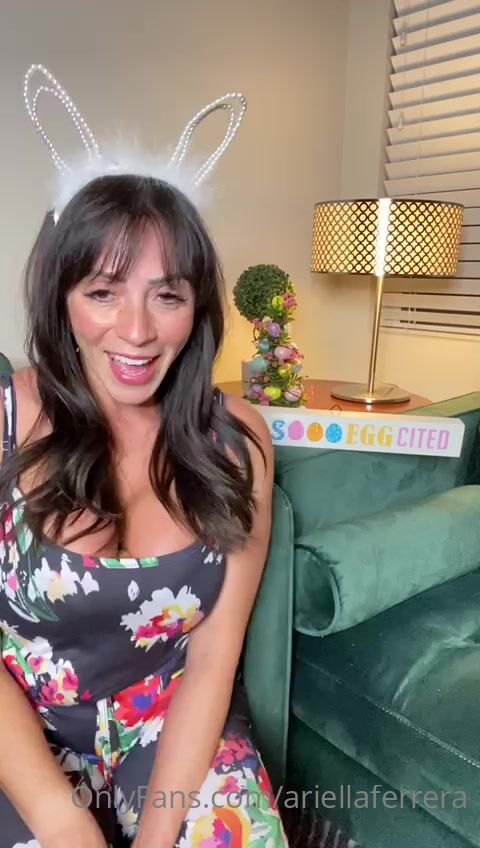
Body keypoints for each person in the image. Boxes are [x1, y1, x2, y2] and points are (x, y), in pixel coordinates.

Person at [0, 67, 288, 848]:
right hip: (17, 738)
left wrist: (159, 838)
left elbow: (212, 656)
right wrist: (63, 821)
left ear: (197, 307)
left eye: (167, 295)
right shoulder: (5, 421)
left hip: (162, 727)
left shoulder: (237, 443)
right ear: (61, 299)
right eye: (103, 292)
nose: (137, 332)